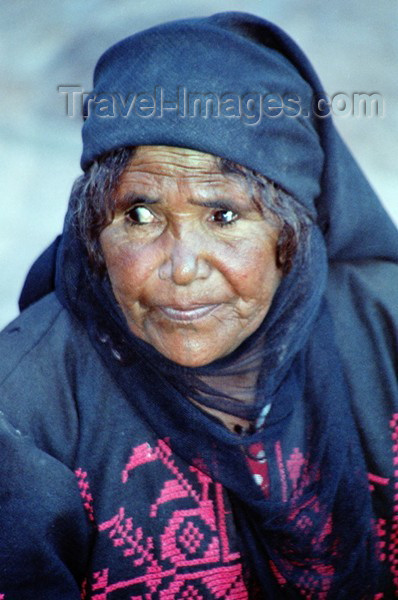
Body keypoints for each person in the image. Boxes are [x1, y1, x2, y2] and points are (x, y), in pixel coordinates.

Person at [1, 12, 397, 599]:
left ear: (292, 232)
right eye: (139, 214)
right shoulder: (25, 405)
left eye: (224, 214)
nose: (182, 266)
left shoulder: (384, 327)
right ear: (91, 230)